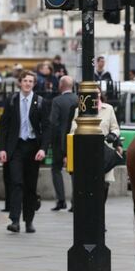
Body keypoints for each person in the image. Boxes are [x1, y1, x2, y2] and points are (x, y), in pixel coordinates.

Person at [0, 69, 51, 233]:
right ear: (20, 83)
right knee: (16, 183)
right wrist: (1, 149)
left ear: (34, 84)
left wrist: (43, 149)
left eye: (30, 81)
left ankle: (29, 221)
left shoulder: (40, 102)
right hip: (16, 147)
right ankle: (15, 220)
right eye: (25, 81)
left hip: (33, 147)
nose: (27, 84)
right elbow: (3, 126)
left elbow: (46, 128)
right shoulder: (12, 100)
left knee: (30, 186)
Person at [70, 88, 122, 203]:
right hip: (86, 152)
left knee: (104, 184)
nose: (95, 96)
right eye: (92, 93)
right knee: (88, 185)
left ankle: (100, 210)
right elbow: (73, 131)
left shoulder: (108, 109)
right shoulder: (79, 110)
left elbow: (115, 128)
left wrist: (113, 135)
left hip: (105, 152)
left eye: (97, 93)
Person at [49, 75, 78, 211]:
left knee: (56, 169)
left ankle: (61, 200)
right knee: (74, 171)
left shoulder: (57, 101)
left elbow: (53, 122)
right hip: (74, 140)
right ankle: (75, 202)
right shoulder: (78, 99)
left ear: (61, 85)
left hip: (58, 142)